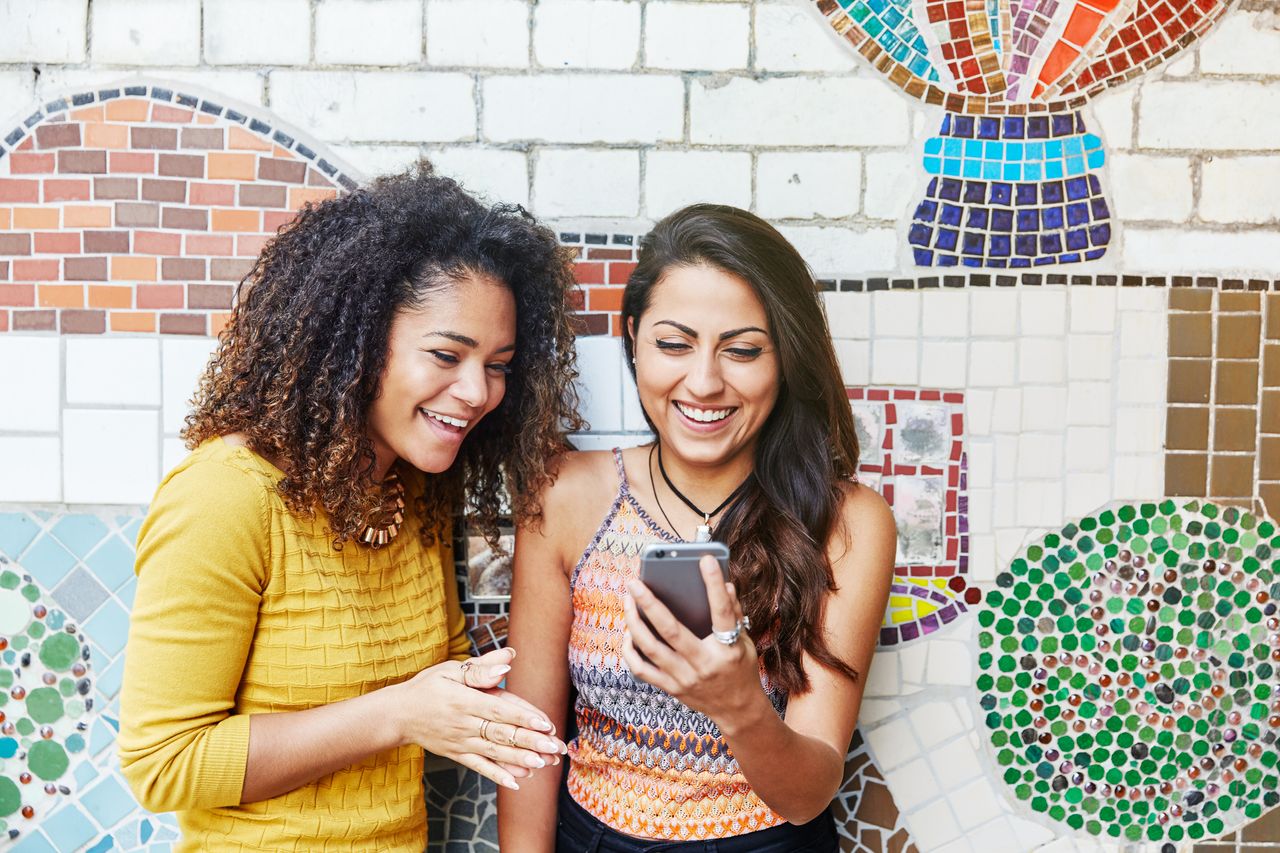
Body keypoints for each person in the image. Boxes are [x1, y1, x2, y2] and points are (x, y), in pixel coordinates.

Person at [118, 163, 579, 851]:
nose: (478, 391)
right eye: (447, 354)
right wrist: (396, 715)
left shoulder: (413, 491)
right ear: (356, 341)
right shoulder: (225, 496)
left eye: (499, 365)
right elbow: (162, 763)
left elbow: (434, 680)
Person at [498, 204, 898, 852]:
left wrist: (739, 703)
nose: (705, 382)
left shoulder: (849, 522)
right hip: (592, 836)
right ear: (633, 337)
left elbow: (809, 792)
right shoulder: (564, 494)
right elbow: (532, 740)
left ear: (785, 356)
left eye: (742, 350)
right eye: (674, 344)